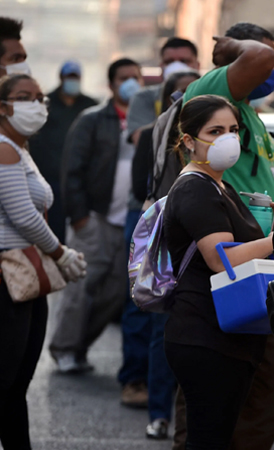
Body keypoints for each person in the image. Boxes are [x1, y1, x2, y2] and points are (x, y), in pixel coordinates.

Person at [180, 22, 274, 450]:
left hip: (269, 268)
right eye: (267, 58)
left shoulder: (250, 115)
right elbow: (258, 58)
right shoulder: (213, 95)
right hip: (237, 266)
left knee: (267, 395)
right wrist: (232, 47)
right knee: (211, 406)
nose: (273, 69)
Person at [162, 94, 274, 450]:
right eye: (215, 131)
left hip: (229, 332)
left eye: (233, 129)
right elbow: (222, 259)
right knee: (206, 439)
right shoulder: (194, 188)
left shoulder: (219, 183)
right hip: (204, 333)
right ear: (188, 141)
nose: (228, 138)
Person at [0, 73, 87, 450]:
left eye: (40, 98)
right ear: (3, 107)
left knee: (17, 382)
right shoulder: (3, 148)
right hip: (8, 275)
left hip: (27, 273)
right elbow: (23, 215)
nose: (36, 104)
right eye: (24, 97)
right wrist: (61, 252)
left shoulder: (21, 149)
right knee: (6, 379)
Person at [50, 58, 143, 376]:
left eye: (135, 77)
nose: (130, 83)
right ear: (111, 84)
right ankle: (64, 349)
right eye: (123, 78)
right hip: (95, 219)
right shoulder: (92, 119)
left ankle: (81, 346)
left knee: (116, 292)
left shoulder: (147, 122)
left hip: (129, 222)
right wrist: (80, 217)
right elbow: (72, 170)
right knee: (80, 290)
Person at [125, 70, 201, 441]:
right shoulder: (166, 130)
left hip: (199, 236)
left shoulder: (210, 131)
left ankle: (178, 417)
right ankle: (159, 412)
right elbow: (145, 184)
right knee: (163, 327)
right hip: (174, 235)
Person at [28, 60, 97, 244]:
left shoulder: (90, 106)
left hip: (80, 180)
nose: (72, 81)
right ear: (61, 78)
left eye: (75, 77)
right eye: (69, 77)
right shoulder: (46, 104)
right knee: (53, 227)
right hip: (51, 178)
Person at [126, 37, 200, 145]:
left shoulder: (210, 95)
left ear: (197, 66)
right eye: (169, 62)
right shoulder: (144, 97)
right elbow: (141, 141)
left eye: (184, 61)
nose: (176, 66)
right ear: (161, 67)